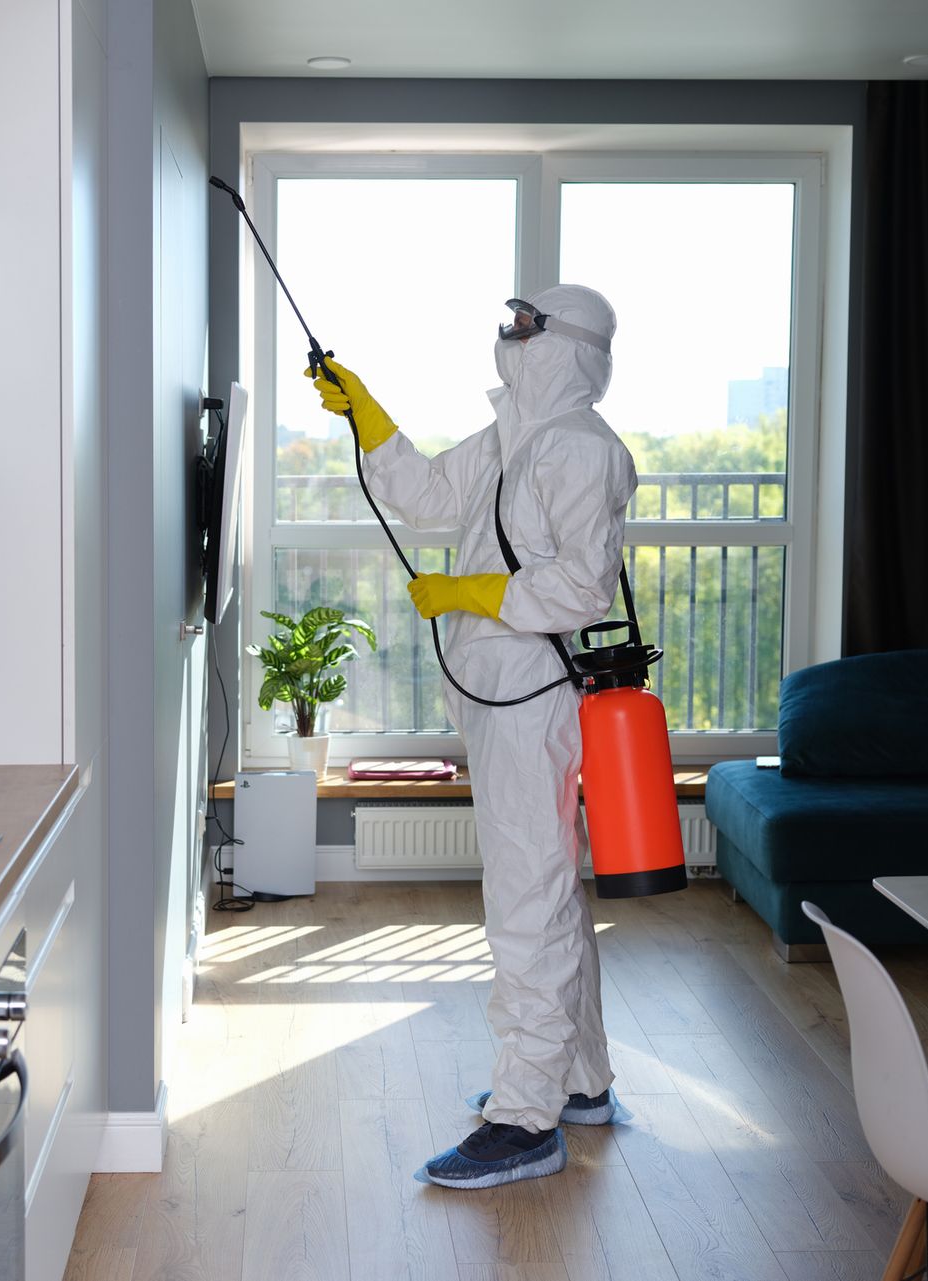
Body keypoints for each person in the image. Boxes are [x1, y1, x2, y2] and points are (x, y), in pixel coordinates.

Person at [305, 284, 637, 1189]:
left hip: (534, 697)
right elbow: (425, 496)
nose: (512, 335)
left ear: (569, 344)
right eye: (512, 322)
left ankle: (525, 1118)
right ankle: (579, 1081)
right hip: (499, 693)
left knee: (527, 899)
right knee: (550, 891)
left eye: (529, 325)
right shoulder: (512, 438)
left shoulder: (580, 449)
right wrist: (366, 409)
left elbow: (582, 587)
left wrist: (469, 594)